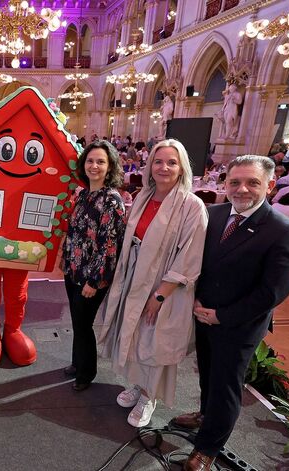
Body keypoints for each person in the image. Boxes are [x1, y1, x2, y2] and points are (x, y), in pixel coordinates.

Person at [176, 155, 289, 471]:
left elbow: (272, 293)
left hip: (239, 325)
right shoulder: (214, 214)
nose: (242, 189)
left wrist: (222, 316)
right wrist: (195, 301)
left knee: (226, 386)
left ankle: (207, 448)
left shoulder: (285, 231)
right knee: (208, 374)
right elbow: (198, 263)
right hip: (203, 315)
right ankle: (206, 415)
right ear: (225, 184)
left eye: (252, 182)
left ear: (270, 186)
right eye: (234, 182)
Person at [97, 139, 208, 428]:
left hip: (165, 286)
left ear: (182, 167)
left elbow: (190, 257)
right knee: (133, 333)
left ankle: (150, 396)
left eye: (172, 162)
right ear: (150, 166)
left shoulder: (191, 206)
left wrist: (160, 296)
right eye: (158, 161)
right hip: (135, 274)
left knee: (153, 341)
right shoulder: (145, 195)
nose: (164, 167)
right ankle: (137, 384)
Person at [61, 141, 127, 391]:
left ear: (110, 166)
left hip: (92, 276)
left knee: (84, 323)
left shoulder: (112, 200)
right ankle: (78, 363)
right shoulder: (81, 193)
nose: (94, 166)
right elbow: (74, 233)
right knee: (77, 321)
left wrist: (94, 280)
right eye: (90, 161)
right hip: (73, 269)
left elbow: (110, 245)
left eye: (101, 161)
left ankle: (86, 373)